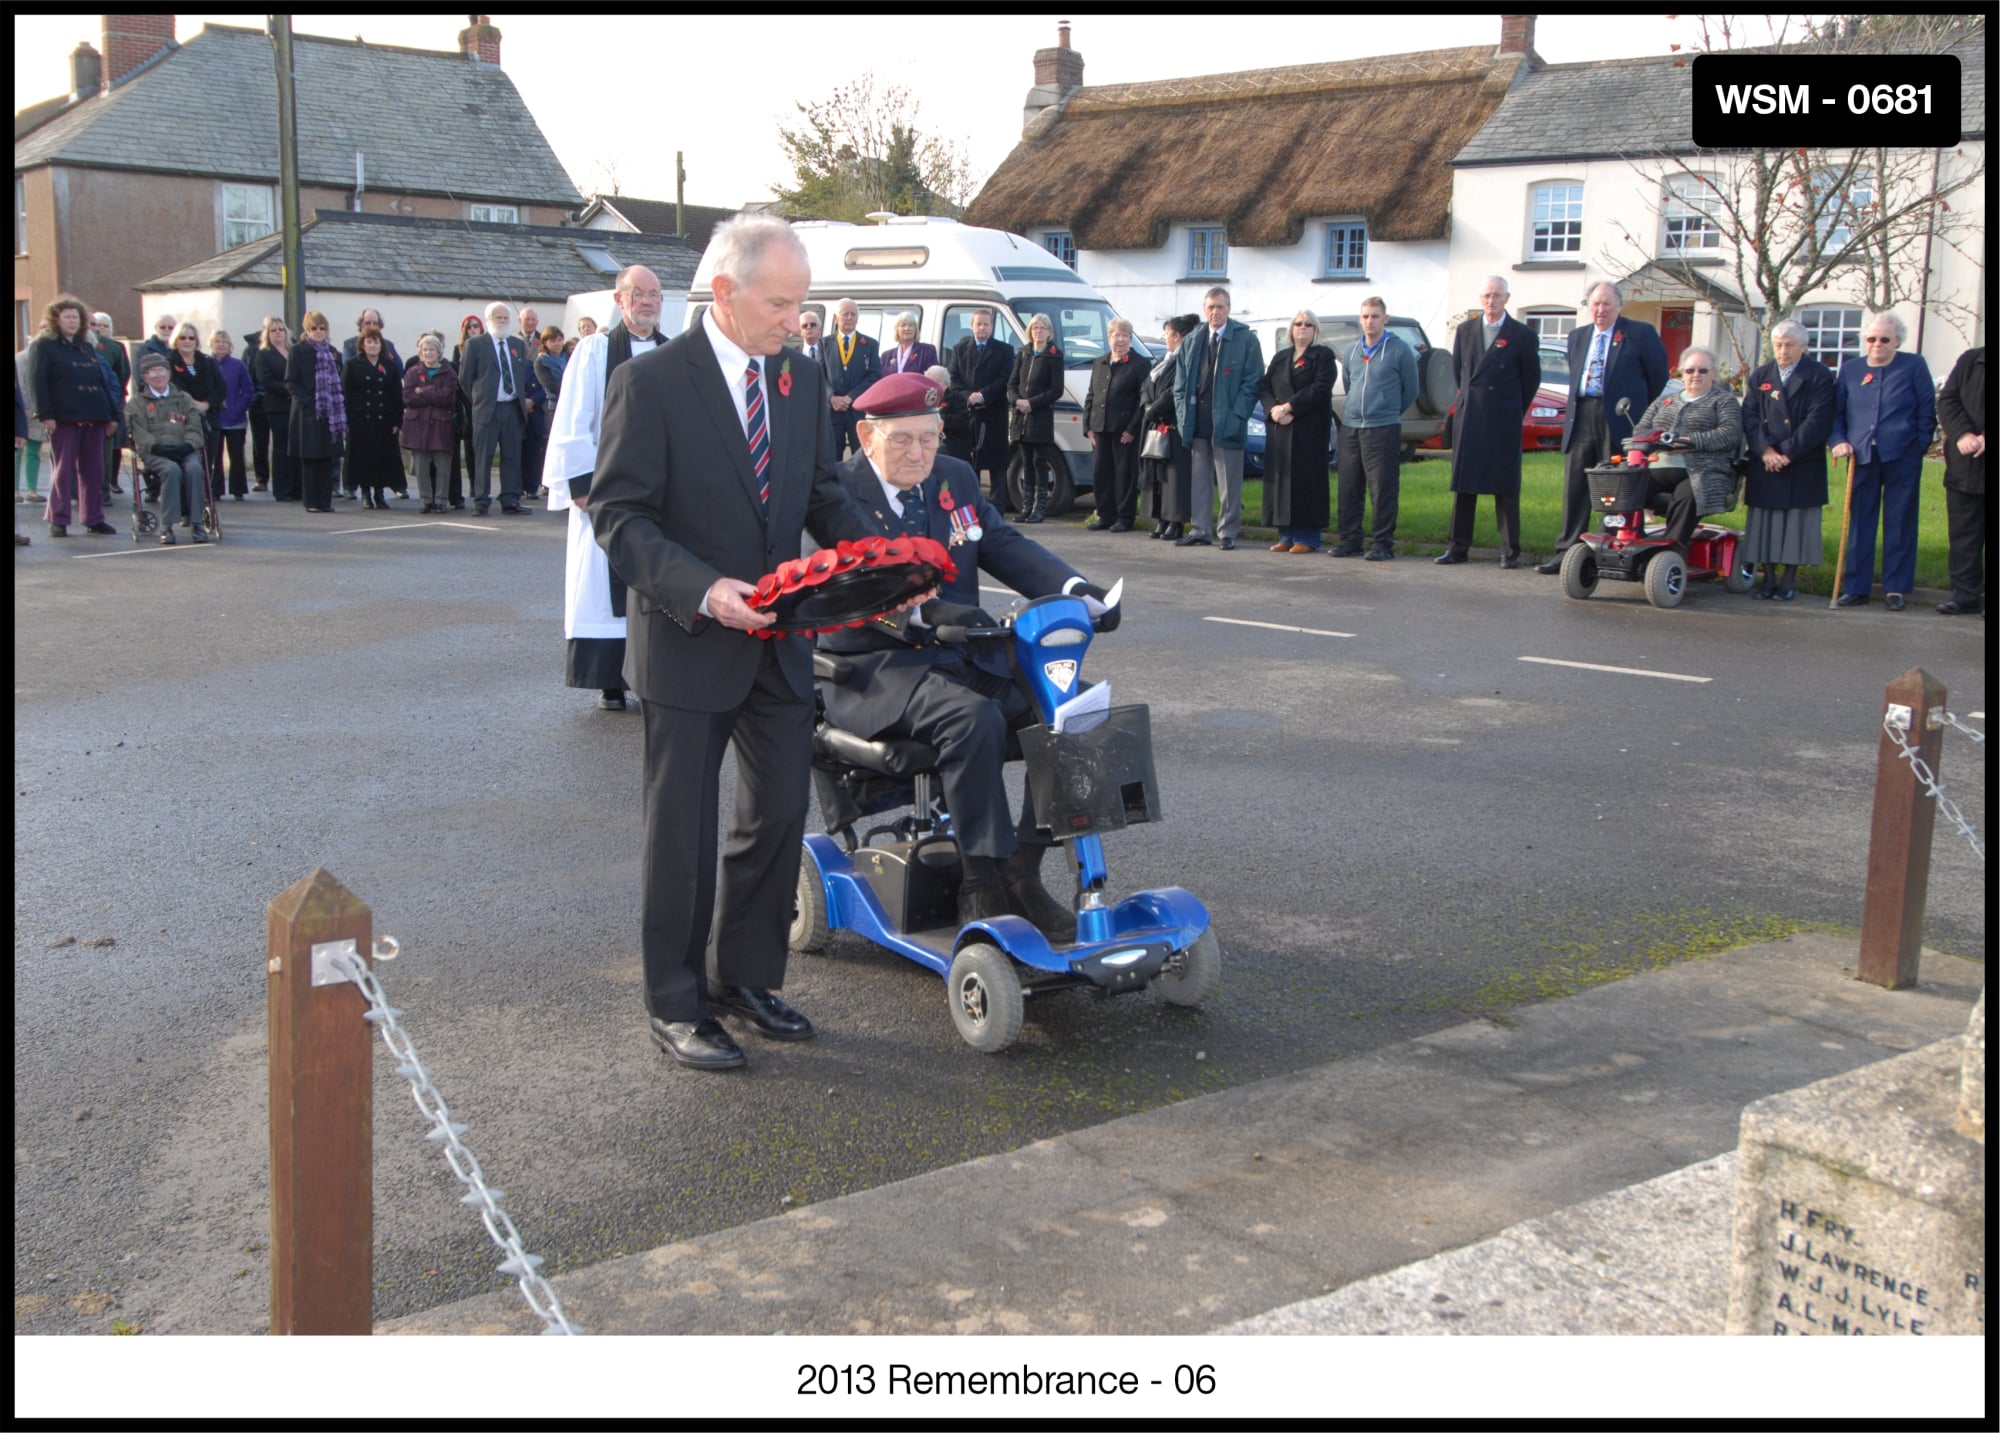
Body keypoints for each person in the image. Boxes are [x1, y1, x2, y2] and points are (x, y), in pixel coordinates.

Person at [590, 214, 881, 1072]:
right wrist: (704, 590)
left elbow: (823, 494)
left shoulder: (797, 376)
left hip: (779, 645)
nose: (798, 320)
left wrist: (884, 559)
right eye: (783, 303)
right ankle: (676, 1003)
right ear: (725, 292)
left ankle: (744, 979)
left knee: (778, 813)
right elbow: (619, 515)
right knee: (680, 832)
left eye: (802, 304)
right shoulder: (653, 383)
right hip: (689, 641)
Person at [818, 369, 1120, 935]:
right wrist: (920, 612)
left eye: (930, 436)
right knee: (972, 719)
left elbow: (1003, 543)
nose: (919, 452)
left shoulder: (953, 477)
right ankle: (980, 884)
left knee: (1072, 710)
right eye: (903, 439)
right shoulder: (835, 493)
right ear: (866, 436)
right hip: (876, 668)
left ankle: (1023, 871)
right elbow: (840, 585)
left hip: (961, 657)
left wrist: (1080, 593)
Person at [545, 263, 668, 711]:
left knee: (658, 579)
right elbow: (575, 418)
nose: (648, 302)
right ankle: (609, 680)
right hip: (606, 490)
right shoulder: (596, 351)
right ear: (620, 300)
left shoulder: (671, 354)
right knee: (603, 586)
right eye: (638, 294)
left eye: (654, 294)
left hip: (659, 496)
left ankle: (653, 674)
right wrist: (582, 487)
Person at [1539, 280, 1669, 573]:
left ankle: (1610, 549)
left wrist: (1638, 413)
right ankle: (1567, 551)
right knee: (1576, 486)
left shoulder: (1640, 334)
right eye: (1596, 304)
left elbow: (1658, 378)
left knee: (1616, 486)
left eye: (1607, 304)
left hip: (1620, 417)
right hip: (1582, 414)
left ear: (1619, 306)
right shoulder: (1577, 336)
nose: (1601, 310)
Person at [1830, 312, 1937, 611]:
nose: (1877, 344)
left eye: (1884, 339)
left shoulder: (1913, 366)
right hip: (1862, 455)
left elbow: (1926, 410)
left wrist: (1918, 445)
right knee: (1861, 522)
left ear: (1897, 341)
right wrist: (1838, 440)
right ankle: (1856, 586)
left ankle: (1896, 588)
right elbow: (1837, 412)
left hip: (1902, 454)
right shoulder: (1850, 370)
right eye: (1871, 339)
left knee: (1900, 520)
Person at [1439, 278, 1541, 568]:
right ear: (1480, 298)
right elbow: (1460, 371)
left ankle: (1509, 552)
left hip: (1503, 419)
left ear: (1507, 298)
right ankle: (1457, 548)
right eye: (1486, 295)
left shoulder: (1521, 334)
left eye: (1497, 296)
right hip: (1470, 417)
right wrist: (1470, 401)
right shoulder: (1466, 330)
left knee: (1505, 487)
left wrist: (1511, 409)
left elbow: (1531, 379)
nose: (1491, 301)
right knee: (1464, 486)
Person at [1740, 319, 1835, 601]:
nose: (1783, 350)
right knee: (1765, 524)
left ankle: (1789, 581)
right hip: (1765, 461)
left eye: (1789, 345)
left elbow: (1818, 420)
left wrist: (1787, 453)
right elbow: (1750, 416)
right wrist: (1766, 452)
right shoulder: (1761, 375)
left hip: (1801, 461)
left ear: (1803, 347)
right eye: (1779, 345)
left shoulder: (1819, 376)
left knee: (1795, 525)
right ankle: (1767, 580)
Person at [1171, 286, 1262, 550]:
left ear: (1229, 308)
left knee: (1229, 482)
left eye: (1220, 307)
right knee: (1199, 480)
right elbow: (1180, 384)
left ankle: (1228, 531)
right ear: (1204, 310)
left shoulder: (1245, 339)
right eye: (1210, 307)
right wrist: (1182, 414)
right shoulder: (1193, 339)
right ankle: (1200, 529)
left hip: (1228, 422)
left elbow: (1253, 381)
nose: (1215, 312)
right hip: (1197, 420)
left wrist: (1237, 416)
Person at [1627, 346, 1743, 551]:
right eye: (1690, 370)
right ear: (1682, 373)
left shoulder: (1724, 401)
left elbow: (1730, 434)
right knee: (1623, 489)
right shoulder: (1664, 401)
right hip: (1657, 466)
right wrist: (1657, 442)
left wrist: (1690, 441)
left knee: (1688, 494)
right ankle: (1621, 542)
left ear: (1713, 373)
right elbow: (1641, 430)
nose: (1695, 375)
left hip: (1703, 470)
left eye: (1703, 370)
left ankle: (1671, 551)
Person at [1331, 297, 1418, 561]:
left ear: (1385, 319)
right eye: (1366, 316)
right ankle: (1350, 540)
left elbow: (1411, 389)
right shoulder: (1351, 351)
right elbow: (1348, 383)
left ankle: (1382, 543)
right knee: (1349, 486)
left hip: (1383, 428)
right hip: (1352, 426)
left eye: (1375, 316)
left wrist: (1386, 410)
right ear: (1360, 319)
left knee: (1382, 488)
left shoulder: (1399, 350)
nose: (1370, 321)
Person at [29, 295, 120, 538]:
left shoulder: (87, 346)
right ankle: (58, 519)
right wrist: (45, 414)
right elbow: (37, 383)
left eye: (76, 317)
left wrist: (112, 415)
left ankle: (93, 518)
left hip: (94, 416)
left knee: (94, 471)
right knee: (63, 470)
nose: (72, 321)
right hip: (63, 418)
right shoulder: (43, 345)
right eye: (67, 316)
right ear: (56, 319)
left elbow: (101, 382)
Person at [1259, 309, 1338, 553]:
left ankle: (1308, 537)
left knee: (1307, 483)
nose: (1302, 328)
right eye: (1298, 324)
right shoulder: (1281, 357)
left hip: (1308, 429)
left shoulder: (1323, 356)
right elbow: (1264, 386)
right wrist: (1273, 409)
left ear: (1315, 330)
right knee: (1282, 482)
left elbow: (1320, 388)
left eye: (1308, 325)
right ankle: (1286, 534)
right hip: (1281, 430)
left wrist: (1289, 407)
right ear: (1291, 330)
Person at [127, 349, 210, 544]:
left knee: (194, 468)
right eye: (153, 372)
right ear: (145, 376)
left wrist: (188, 445)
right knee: (171, 470)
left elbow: (195, 426)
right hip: (156, 453)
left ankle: (197, 523)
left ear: (169, 373)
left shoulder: (183, 398)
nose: (159, 375)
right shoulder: (136, 403)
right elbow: (139, 432)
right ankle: (167, 525)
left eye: (162, 370)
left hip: (184, 449)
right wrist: (156, 447)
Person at [459, 301, 534, 516]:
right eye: (498, 318)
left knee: (511, 456)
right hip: (487, 410)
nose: (502, 322)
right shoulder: (475, 345)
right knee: (484, 456)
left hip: (512, 408)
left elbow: (521, 376)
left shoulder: (517, 344)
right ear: (488, 320)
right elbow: (465, 380)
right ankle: (481, 500)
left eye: (505, 318)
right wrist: (480, 400)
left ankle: (510, 499)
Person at [1083, 316, 1148, 532]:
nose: (1119, 340)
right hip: (1100, 428)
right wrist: (1087, 426)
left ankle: (1125, 518)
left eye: (1124, 335)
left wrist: (1132, 429)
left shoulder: (1140, 364)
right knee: (1101, 474)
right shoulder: (1099, 362)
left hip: (1124, 431)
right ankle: (1105, 515)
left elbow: (1142, 402)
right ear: (1108, 337)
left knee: (1124, 476)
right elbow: (1091, 395)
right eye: (1115, 335)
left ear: (1130, 338)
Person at [1934, 346, 1986, 617]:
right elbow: (1948, 400)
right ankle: (1965, 595)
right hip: (1965, 466)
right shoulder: (1970, 360)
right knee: (1964, 536)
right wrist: (1962, 434)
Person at [947, 305, 1015, 510]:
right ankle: (972, 507)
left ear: (992, 327)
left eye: (986, 324)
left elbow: (1005, 379)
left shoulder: (1004, 350)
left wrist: (984, 395)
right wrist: (969, 396)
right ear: (972, 326)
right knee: (971, 463)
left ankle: (997, 508)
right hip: (967, 415)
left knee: (997, 464)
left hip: (993, 413)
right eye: (979, 324)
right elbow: (954, 378)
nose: (982, 328)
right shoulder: (959, 350)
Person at [1140, 314, 1197, 541]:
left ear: (1178, 336)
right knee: (1158, 475)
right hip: (1154, 422)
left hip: (1172, 424)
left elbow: (1175, 391)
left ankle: (1176, 521)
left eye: (1168, 334)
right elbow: (1147, 384)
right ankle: (1161, 518)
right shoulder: (1163, 360)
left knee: (1175, 477)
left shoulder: (1185, 360)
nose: (1165, 338)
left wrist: (1154, 409)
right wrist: (1146, 405)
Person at [1006, 313, 1066, 523]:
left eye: (1042, 328)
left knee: (1039, 461)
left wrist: (1033, 403)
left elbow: (1056, 389)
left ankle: (1040, 508)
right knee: (1026, 461)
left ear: (1049, 332)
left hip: (1040, 416)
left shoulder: (1054, 355)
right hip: (1021, 417)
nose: (1038, 331)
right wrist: (1017, 401)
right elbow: (1012, 383)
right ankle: (1025, 507)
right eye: (1035, 328)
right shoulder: (1023, 353)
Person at [286, 310, 347, 513]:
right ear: (307, 330)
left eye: (322, 328)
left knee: (327, 458)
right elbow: (291, 381)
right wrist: (308, 402)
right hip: (307, 412)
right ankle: (311, 501)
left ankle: (325, 500)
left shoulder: (333, 352)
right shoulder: (297, 351)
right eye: (314, 328)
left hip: (330, 412)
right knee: (310, 459)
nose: (318, 332)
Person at [342, 325, 404, 509]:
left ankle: (379, 493)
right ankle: (366, 494)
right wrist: (346, 420)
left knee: (382, 458)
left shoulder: (389, 366)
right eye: (369, 341)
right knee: (363, 459)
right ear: (362, 344)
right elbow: (345, 394)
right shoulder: (352, 365)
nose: (372, 345)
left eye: (376, 341)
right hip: (360, 420)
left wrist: (396, 421)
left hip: (383, 420)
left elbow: (396, 395)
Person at [166, 323, 222, 506]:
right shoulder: (168, 362)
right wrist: (190, 405)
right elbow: (169, 390)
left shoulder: (207, 361)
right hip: (179, 420)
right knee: (184, 463)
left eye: (191, 337)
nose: (187, 341)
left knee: (207, 461)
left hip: (207, 419)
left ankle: (203, 501)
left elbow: (221, 387)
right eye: (183, 337)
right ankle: (184, 505)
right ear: (176, 340)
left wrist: (207, 404)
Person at [401, 334, 458, 514]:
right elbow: (408, 397)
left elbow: (447, 398)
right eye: (425, 350)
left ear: (439, 351)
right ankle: (426, 500)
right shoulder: (412, 372)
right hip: (418, 426)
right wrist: (434, 393)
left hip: (441, 425)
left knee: (443, 467)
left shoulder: (449, 372)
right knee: (421, 467)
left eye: (432, 349)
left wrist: (423, 391)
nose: (428, 353)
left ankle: (441, 500)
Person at [821, 297, 879, 458]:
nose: (849, 318)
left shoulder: (870, 344)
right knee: (832, 458)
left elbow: (875, 375)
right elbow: (820, 375)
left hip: (858, 411)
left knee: (863, 457)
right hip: (833, 412)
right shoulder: (824, 344)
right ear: (835, 318)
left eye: (853, 314)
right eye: (845, 314)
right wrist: (831, 398)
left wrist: (851, 397)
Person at [208, 329, 256, 501]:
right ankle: (215, 489)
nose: (221, 344)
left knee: (236, 456)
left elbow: (248, 390)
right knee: (214, 456)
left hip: (236, 419)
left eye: (224, 342)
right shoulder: (206, 364)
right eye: (217, 341)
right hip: (213, 418)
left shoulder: (238, 365)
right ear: (211, 345)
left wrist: (239, 408)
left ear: (230, 346)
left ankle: (238, 489)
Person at [254, 316, 297, 502]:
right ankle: (282, 489)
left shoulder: (293, 350)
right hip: (277, 406)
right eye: (273, 330)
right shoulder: (264, 354)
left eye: (281, 329)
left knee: (295, 447)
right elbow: (266, 380)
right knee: (281, 448)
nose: (278, 332)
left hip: (296, 407)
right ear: (267, 334)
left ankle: (297, 488)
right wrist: (290, 391)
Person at [447, 314, 485, 510]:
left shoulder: (486, 346)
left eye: (476, 326)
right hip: (468, 402)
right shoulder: (459, 349)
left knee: (482, 446)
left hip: (484, 400)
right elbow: (458, 376)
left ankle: (481, 484)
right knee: (470, 445)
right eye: (469, 327)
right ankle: (472, 483)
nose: (473, 330)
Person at [90, 312, 129, 500]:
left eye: (103, 325)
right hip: (79, 411)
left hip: (108, 405)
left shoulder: (114, 348)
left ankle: (105, 488)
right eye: (95, 324)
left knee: (109, 448)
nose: (98, 328)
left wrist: (114, 402)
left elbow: (121, 376)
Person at [518, 305, 549, 501]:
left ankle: (532, 486)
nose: (530, 323)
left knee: (535, 449)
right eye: (526, 320)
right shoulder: (512, 341)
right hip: (518, 402)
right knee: (517, 449)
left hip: (538, 402)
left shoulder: (543, 342)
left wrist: (533, 401)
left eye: (533, 320)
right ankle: (517, 486)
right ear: (520, 321)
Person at [14, 340, 48, 506]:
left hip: (34, 409)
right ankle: (17, 490)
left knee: (33, 450)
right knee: (18, 452)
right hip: (26, 408)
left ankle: (32, 490)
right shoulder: (21, 359)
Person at [243, 328, 271, 491]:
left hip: (279, 400)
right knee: (260, 442)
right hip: (259, 399)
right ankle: (262, 478)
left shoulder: (286, 347)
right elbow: (247, 377)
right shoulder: (252, 349)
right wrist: (252, 397)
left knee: (283, 443)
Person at [930, 363, 974, 464]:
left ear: (945, 382)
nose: (933, 385)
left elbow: (961, 421)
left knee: (940, 453)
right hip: (932, 441)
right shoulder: (928, 400)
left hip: (953, 442)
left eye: (936, 381)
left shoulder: (957, 398)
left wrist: (938, 418)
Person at [340, 308, 402, 373]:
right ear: (361, 325)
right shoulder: (349, 345)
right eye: (368, 323)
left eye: (375, 323)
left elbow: (399, 370)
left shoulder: (389, 345)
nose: (371, 326)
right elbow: (348, 369)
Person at [881, 311, 937, 376]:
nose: (907, 328)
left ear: (916, 329)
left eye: (911, 325)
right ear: (897, 330)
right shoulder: (886, 356)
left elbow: (933, 379)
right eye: (903, 325)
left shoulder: (927, 351)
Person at [533, 325, 567, 407]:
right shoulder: (541, 361)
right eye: (553, 341)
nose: (557, 344)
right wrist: (570, 390)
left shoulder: (569, 356)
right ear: (545, 342)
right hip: (554, 403)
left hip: (572, 401)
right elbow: (549, 385)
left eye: (559, 340)